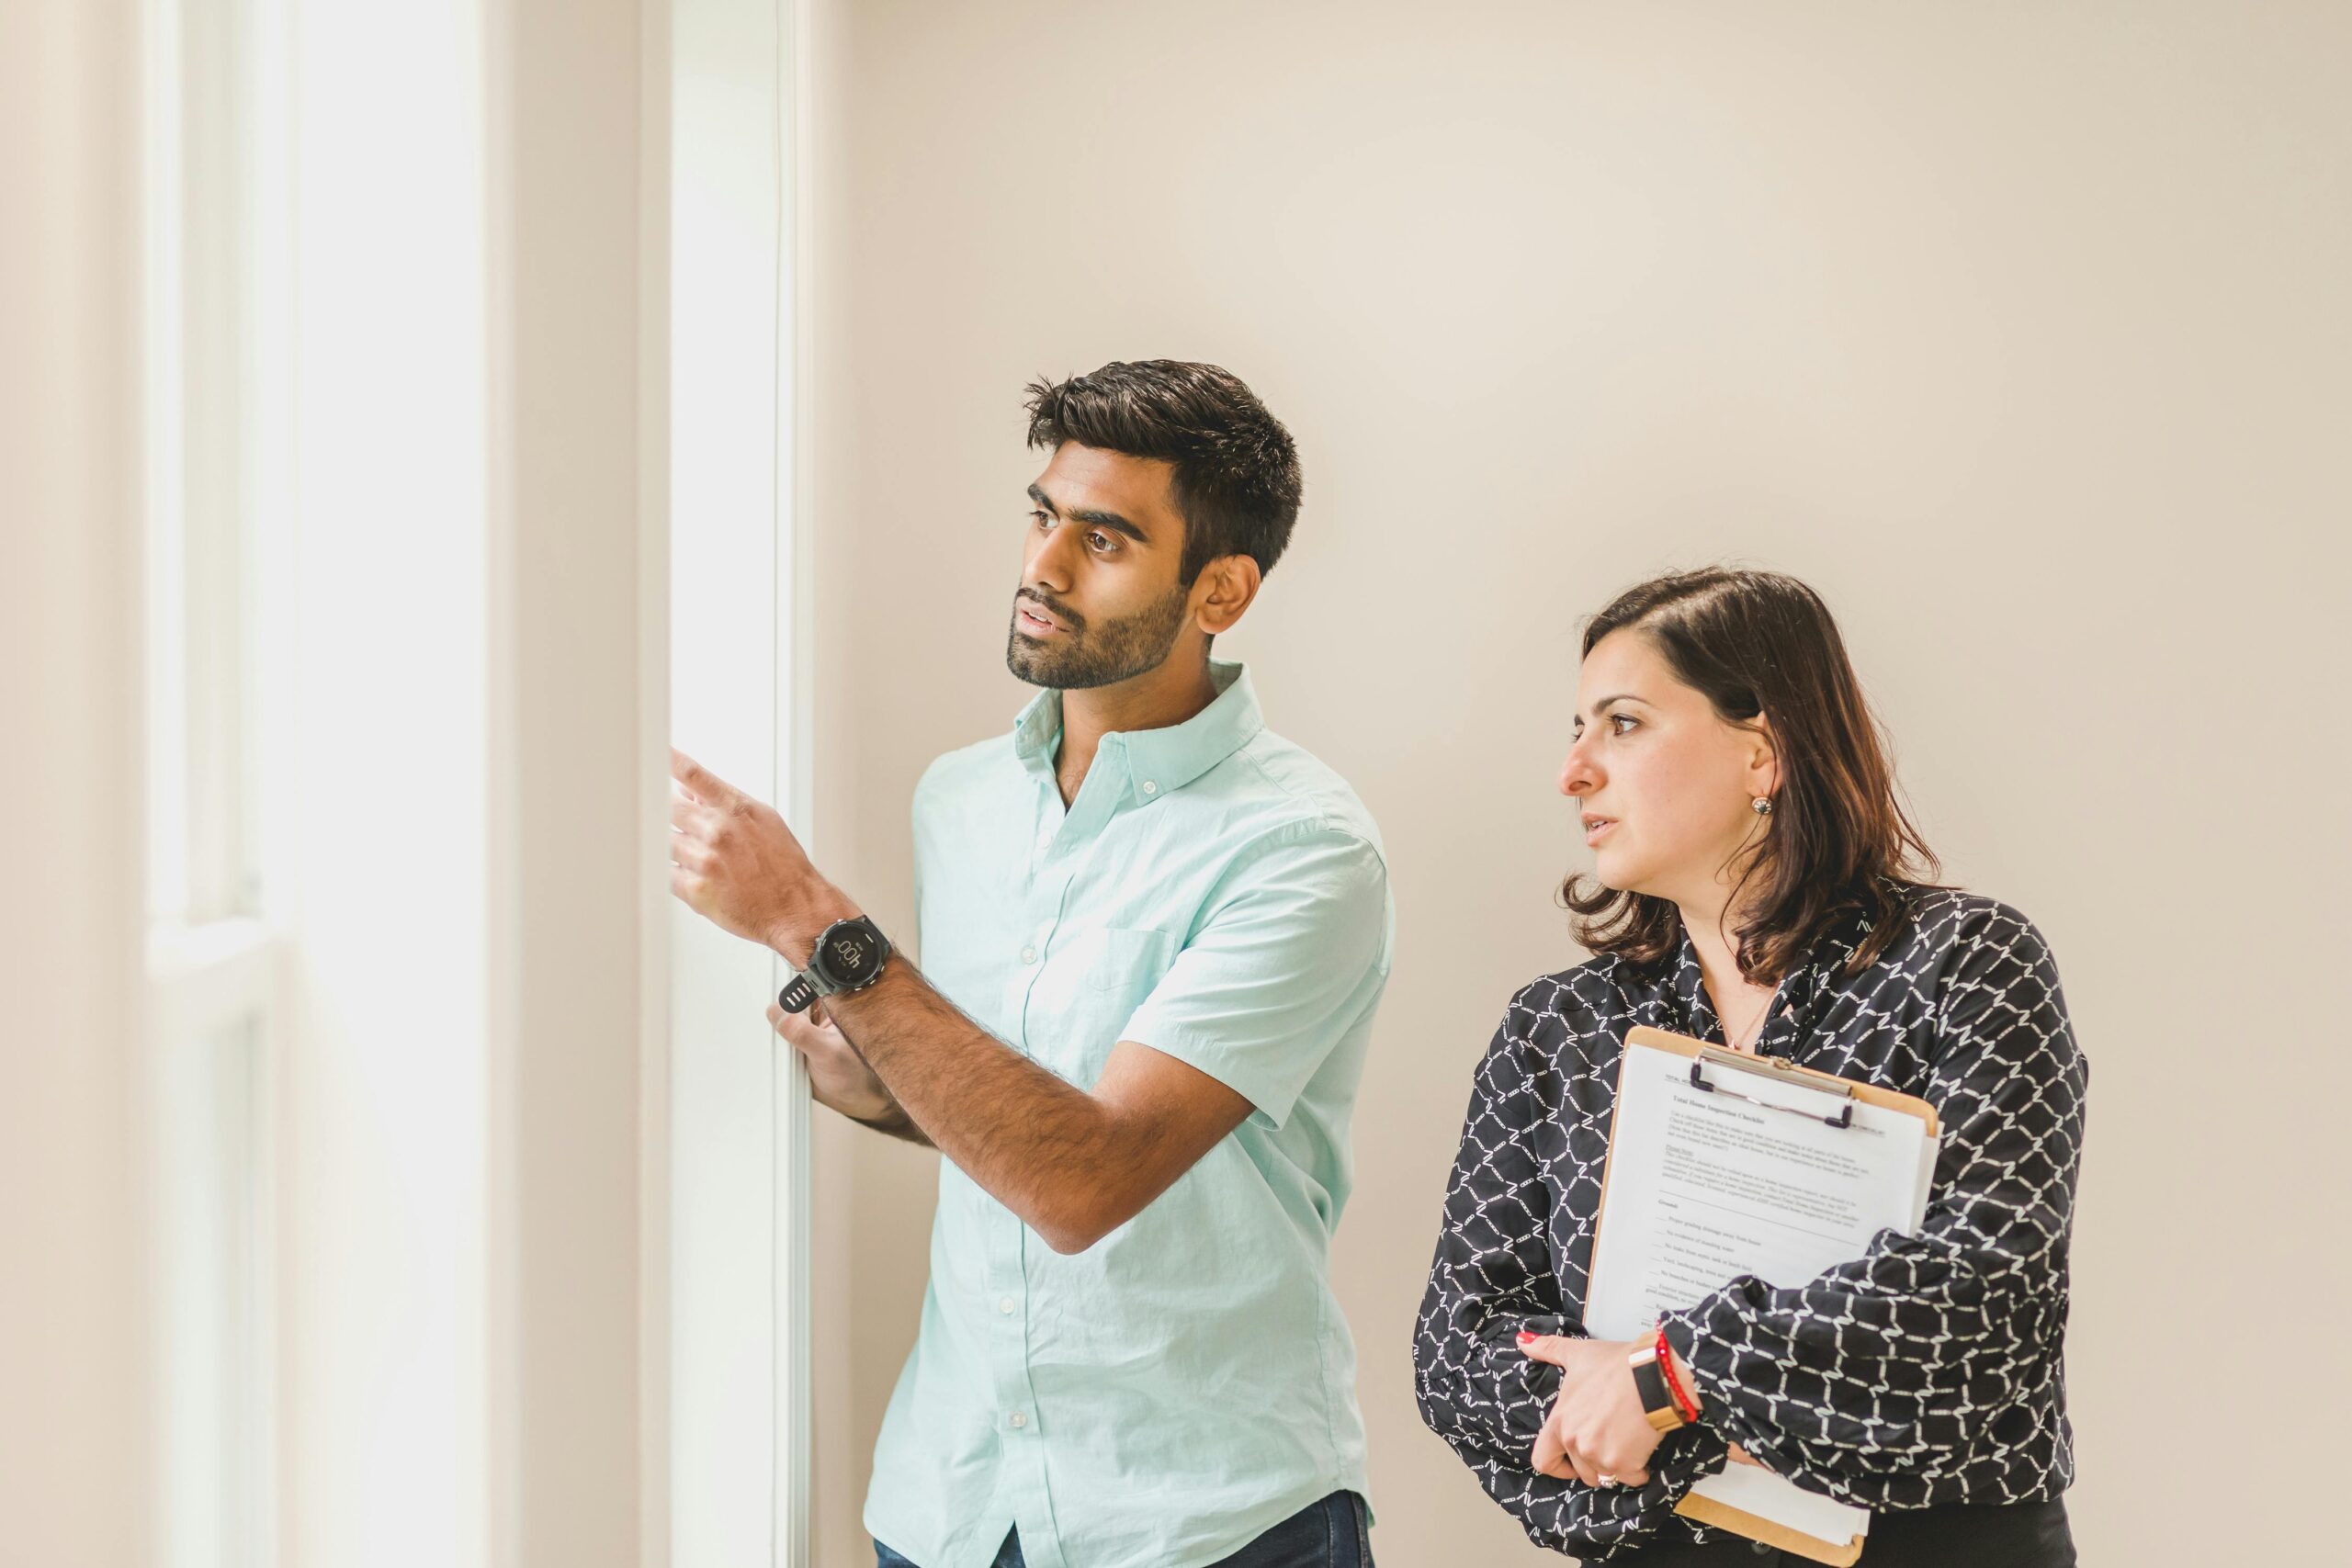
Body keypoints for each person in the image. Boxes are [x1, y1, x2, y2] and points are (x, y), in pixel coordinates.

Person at [670, 360, 1390, 1568]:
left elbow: (1088, 1177)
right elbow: (1028, 1107)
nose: (1042, 568)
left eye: (1102, 538)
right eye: (1043, 514)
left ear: (1221, 587)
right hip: (955, 1502)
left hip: (1207, 1521)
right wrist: (890, 1095)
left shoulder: (1306, 849)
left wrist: (802, 911)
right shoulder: (961, 800)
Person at [1413, 568, 2085, 1565]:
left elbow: (1985, 1292)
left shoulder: (1966, 963)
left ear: (1762, 755)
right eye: (1576, 729)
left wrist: (1668, 1380)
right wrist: (1679, 1424)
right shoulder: (1556, 1027)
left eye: (1623, 724)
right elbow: (1459, 1354)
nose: (1574, 772)